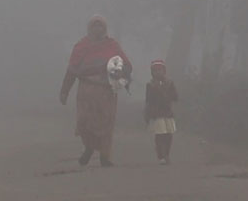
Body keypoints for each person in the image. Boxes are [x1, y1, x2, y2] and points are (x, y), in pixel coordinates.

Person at [59, 15, 131, 167]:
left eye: (100, 26)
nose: (97, 29)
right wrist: (64, 91)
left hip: (106, 91)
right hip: (86, 90)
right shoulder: (81, 46)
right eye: (94, 26)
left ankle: (105, 156)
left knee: (106, 123)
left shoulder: (112, 45)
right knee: (84, 121)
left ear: (104, 29)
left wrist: (121, 74)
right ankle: (89, 147)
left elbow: (126, 65)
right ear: (89, 28)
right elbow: (72, 70)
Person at [145, 59, 178, 165]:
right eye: (155, 70)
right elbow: (148, 100)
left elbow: (175, 96)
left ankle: (167, 154)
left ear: (164, 71)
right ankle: (161, 156)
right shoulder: (150, 85)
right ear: (152, 72)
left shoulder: (170, 83)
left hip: (168, 113)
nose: (158, 72)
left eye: (160, 70)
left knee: (169, 135)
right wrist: (148, 114)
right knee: (159, 135)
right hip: (157, 114)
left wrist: (169, 97)